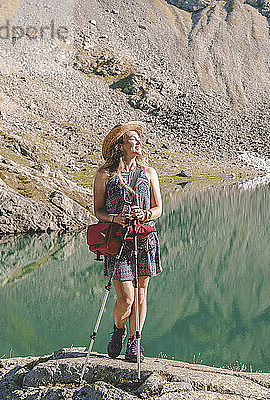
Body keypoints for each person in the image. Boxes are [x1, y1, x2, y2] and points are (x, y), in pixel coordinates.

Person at [92, 121, 163, 362]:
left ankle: (136, 342)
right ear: (120, 145)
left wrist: (144, 214)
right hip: (118, 241)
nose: (139, 142)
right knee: (126, 297)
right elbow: (98, 210)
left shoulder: (149, 172)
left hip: (144, 239)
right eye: (133, 139)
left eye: (139, 139)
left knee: (141, 294)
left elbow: (158, 209)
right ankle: (119, 331)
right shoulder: (105, 174)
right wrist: (115, 217)